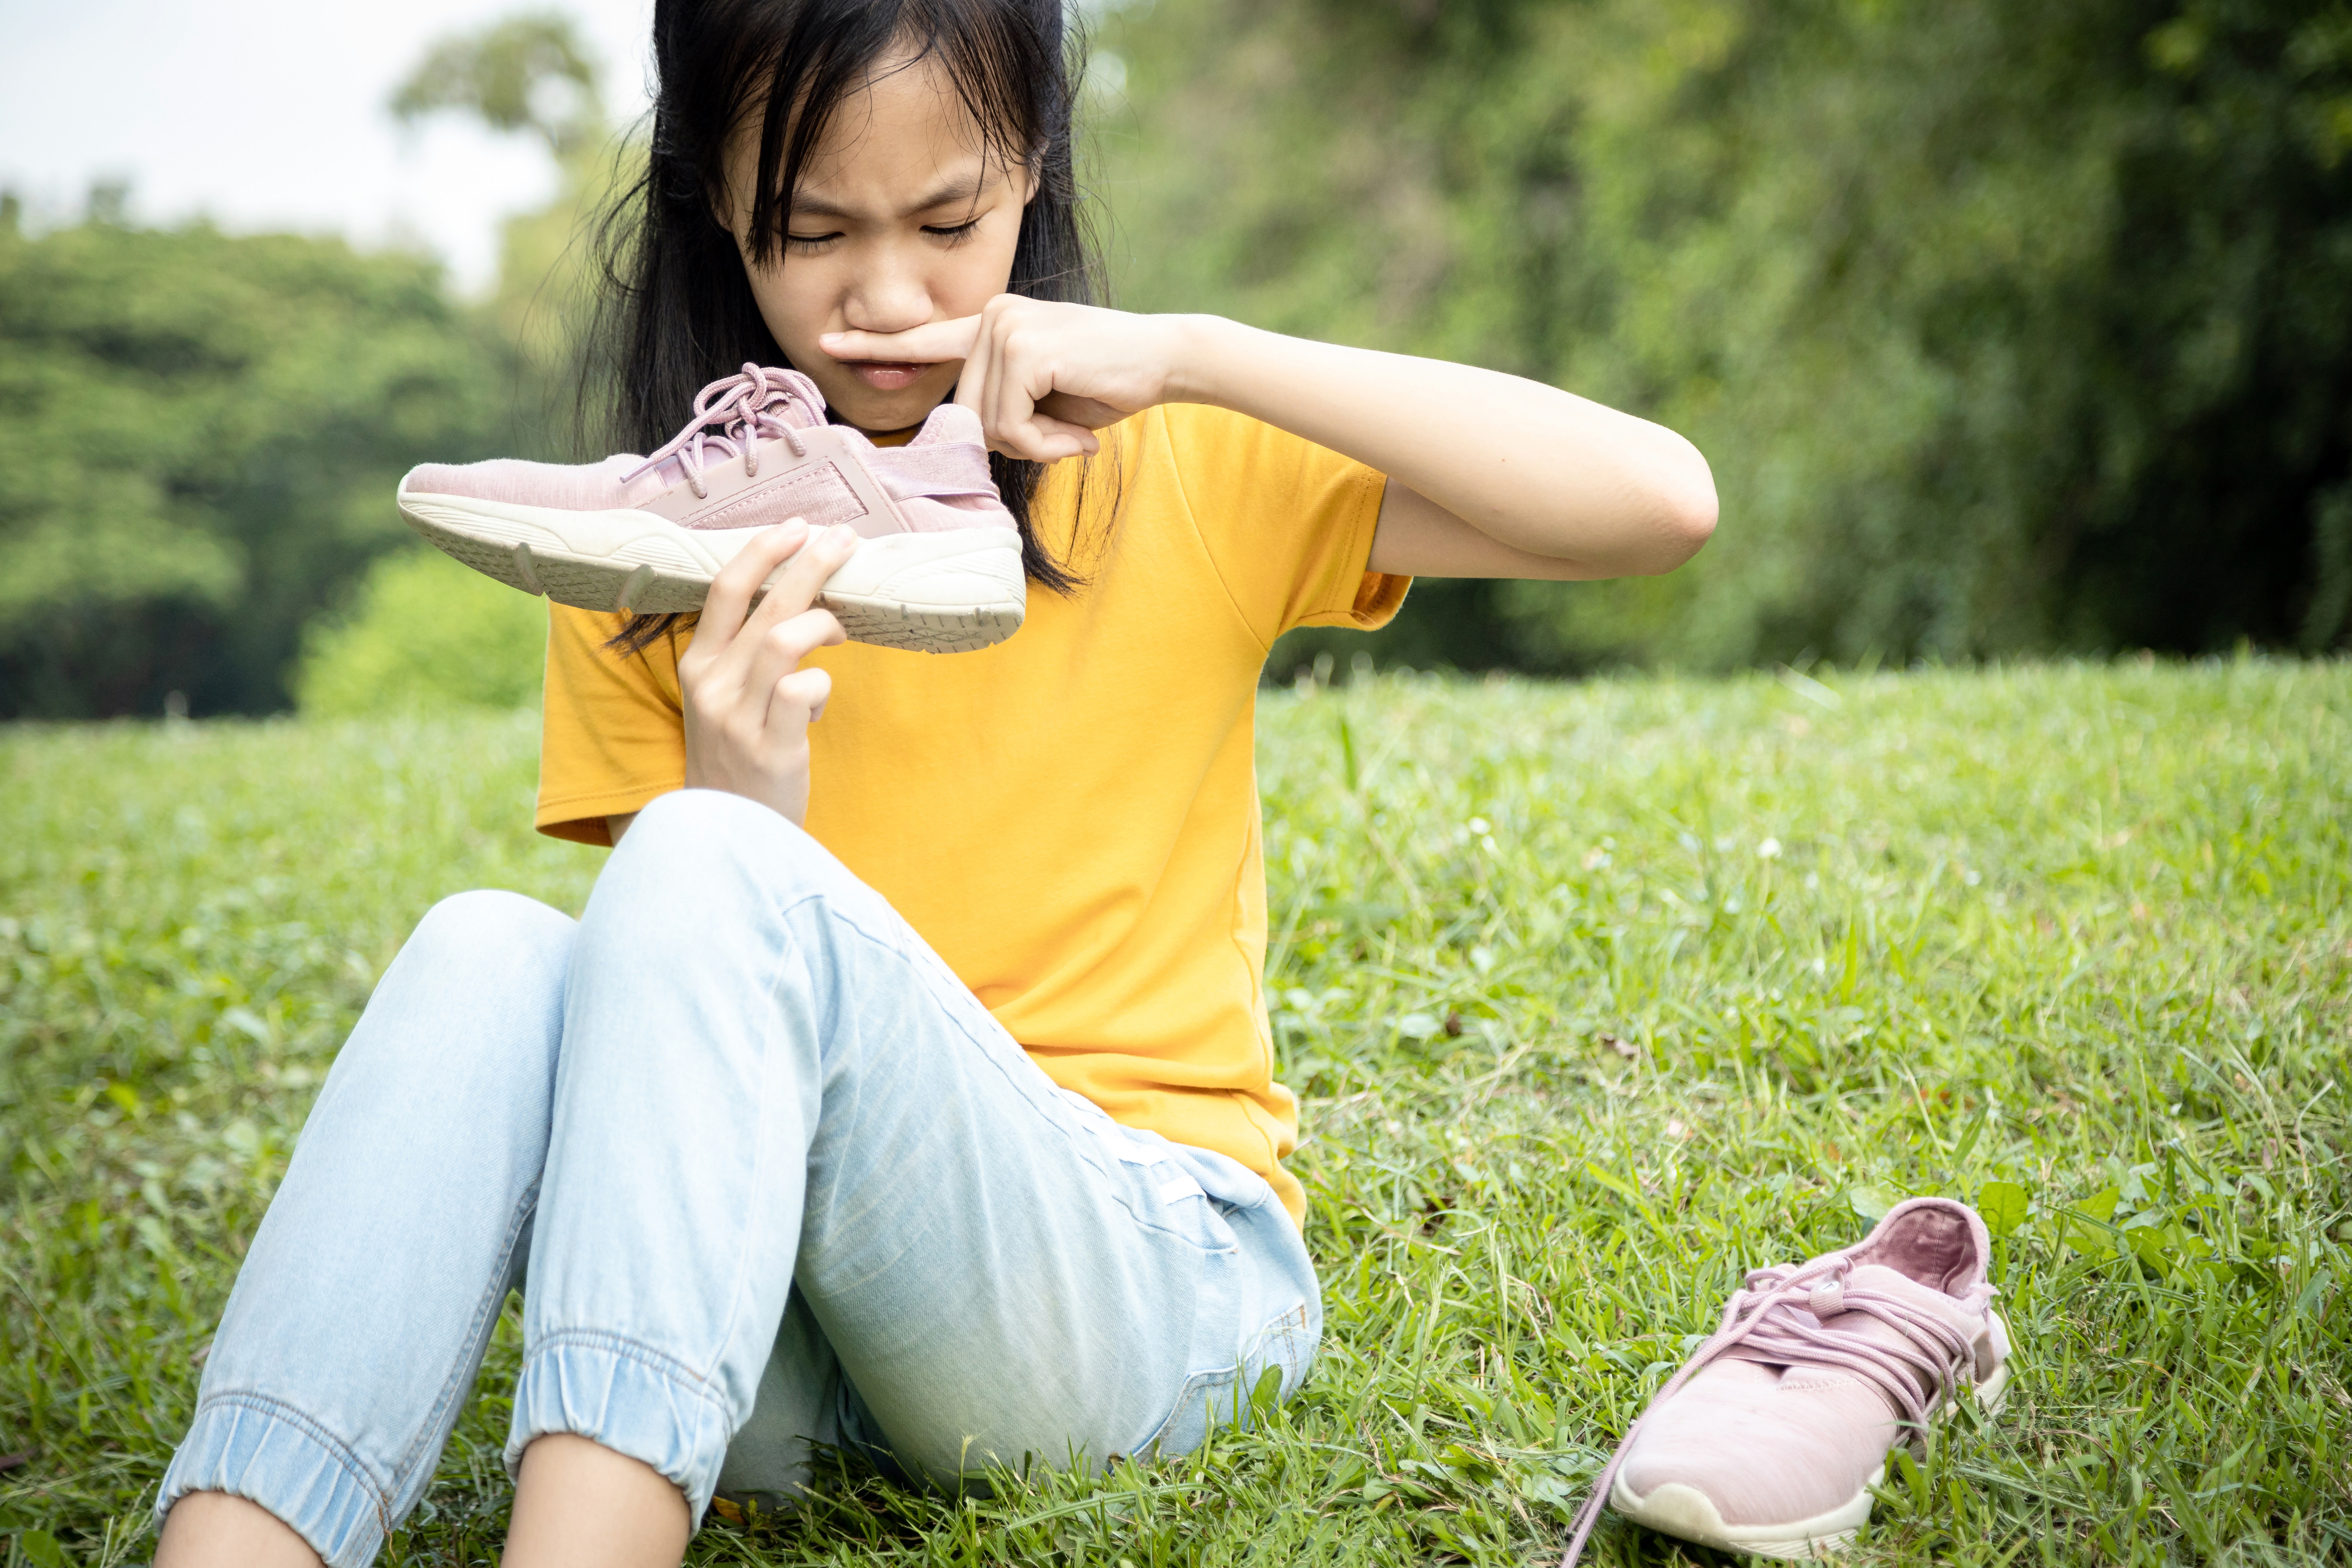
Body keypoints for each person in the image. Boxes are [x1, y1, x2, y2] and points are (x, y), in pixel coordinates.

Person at [151, 1, 1715, 1564]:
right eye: (810, 231)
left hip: (1136, 1278)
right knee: (491, 948)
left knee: (699, 867)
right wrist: (738, 796)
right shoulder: (653, 549)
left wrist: (1188, 354)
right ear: (714, 201)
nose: (883, 300)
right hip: (801, 1344)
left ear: (1033, 168)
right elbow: (686, 1084)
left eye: (948, 222)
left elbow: (1656, 502)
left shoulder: (1170, 453)